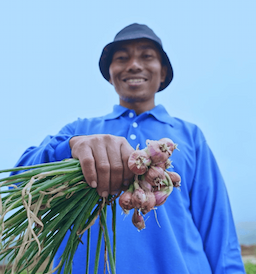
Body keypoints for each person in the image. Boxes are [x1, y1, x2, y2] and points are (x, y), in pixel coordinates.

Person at [13, 23, 245, 273]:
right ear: (110, 73)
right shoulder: (80, 130)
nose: (134, 64)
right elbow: (18, 181)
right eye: (122, 58)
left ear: (163, 72)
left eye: (147, 56)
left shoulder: (190, 135)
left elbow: (217, 226)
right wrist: (70, 147)